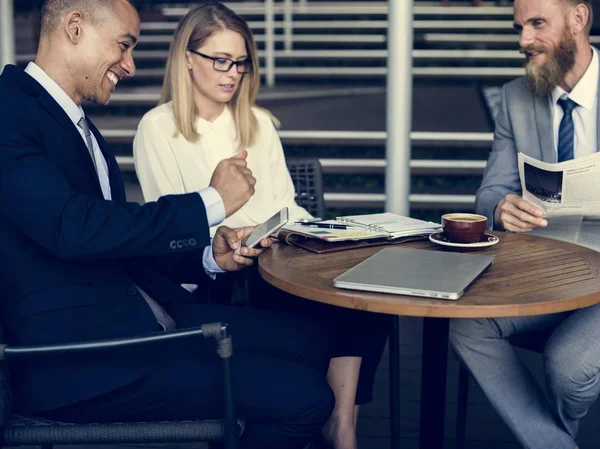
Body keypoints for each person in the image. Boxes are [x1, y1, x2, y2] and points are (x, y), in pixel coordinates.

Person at [0, 1, 337, 448]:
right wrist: (212, 202)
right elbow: (73, 228)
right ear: (75, 28)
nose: (130, 65)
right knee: (307, 398)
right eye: (123, 46)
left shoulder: (76, 122)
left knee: (310, 343)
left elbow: (114, 241)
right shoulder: (10, 112)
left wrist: (208, 256)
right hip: (85, 364)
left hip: (139, 322)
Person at [132, 4, 390, 449]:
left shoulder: (258, 123)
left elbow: (286, 205)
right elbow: (169, 226)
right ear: (187, 58)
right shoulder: (157, 130)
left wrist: (326, 236)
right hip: (215, 276)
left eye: (241, 61)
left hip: (278, 256)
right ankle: (331, 424)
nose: (232, 73)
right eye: (221, 60)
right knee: (332, 301)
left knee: (366, 284)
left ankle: (343, 425)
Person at [450, 1, 599, 448]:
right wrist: (501, 209)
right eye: (519, 27)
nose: (523, 40)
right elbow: (490, 191)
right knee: (467, 323)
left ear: (578, 18)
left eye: (537, 24)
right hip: (546, 272)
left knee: (569, 367)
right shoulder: (516, 97)